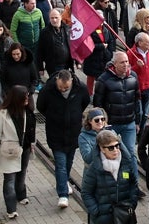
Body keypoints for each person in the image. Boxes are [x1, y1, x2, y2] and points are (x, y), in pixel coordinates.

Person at [36, 70, 90, 208]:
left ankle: (63, 181)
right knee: (60, 163)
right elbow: (41, 106)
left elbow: (85, 102)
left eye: (66, 88)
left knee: (69, 162)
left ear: (71, 81)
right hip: (55, 133)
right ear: (57, 81)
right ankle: (63, 194)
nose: (63, 90)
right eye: (60, 87)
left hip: (73, 133)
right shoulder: (48, 90)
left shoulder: (81, 88)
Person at [0, 85, 36, 217]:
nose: (27, 99)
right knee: (9, 178)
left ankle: (21, 195)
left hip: (24, 148)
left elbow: (32, 129)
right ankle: (11, 209)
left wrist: (32, 144)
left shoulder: (28, 111)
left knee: (22, 172)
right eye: (24, 97)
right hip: (9, 150)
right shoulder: (1, 113)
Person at [82, 129, 139, 224]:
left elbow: (133, 184)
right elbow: (86, 193)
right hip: (103, 219)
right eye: (111, 148)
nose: (116, 150)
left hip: (123, 215)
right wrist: (96, 211)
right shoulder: (94, 169)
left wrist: (132, 203)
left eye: (117, 146)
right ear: (102, 149)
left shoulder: (126, 164)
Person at [94, 51, 141, 157]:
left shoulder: (133, 77)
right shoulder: (103, 79)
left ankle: (130, 174)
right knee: (111, 153)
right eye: (122, 62)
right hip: (111, 124)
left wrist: (137, 121)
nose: (125, 65)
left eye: (127, 62)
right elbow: (98, 104)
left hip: (129, 123)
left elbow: (137, 100)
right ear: (114, 64)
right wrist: (102, 123)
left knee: (130, 153)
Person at [127, 31, 149, 129]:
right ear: (140, 43)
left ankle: (141, 134)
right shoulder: (130, 53)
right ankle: (136, 130)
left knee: (146, 114)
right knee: (139, 113)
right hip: (137, 89)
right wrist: (136, 67)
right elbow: (126, 71)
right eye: (147, 42)